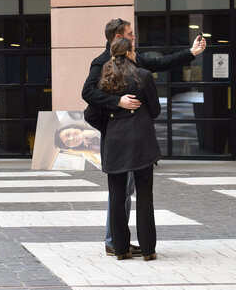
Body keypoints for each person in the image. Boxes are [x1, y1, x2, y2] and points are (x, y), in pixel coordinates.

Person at [81, 18, 206, 257]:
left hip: (119, 141)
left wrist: (190, 53)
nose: (134, 37)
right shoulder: (100, 64)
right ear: (119, 38)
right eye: (130, 34)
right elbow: (87, 94)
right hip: (133, 140)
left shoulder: (135, 60)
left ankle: (119, 246)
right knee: (127, 195)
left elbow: (160, 62)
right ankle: (118, 243)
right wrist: (118, 105)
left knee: (121, 193)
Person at [98, 38, 161, 261]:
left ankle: (121, 249)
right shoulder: (143, 76)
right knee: (145, 196)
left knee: (116, 196)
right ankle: (147, 250)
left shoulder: (106, 76)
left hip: (115, 141)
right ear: (130, 53)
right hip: (141, 141)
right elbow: (155, 110)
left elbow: (95, 109)